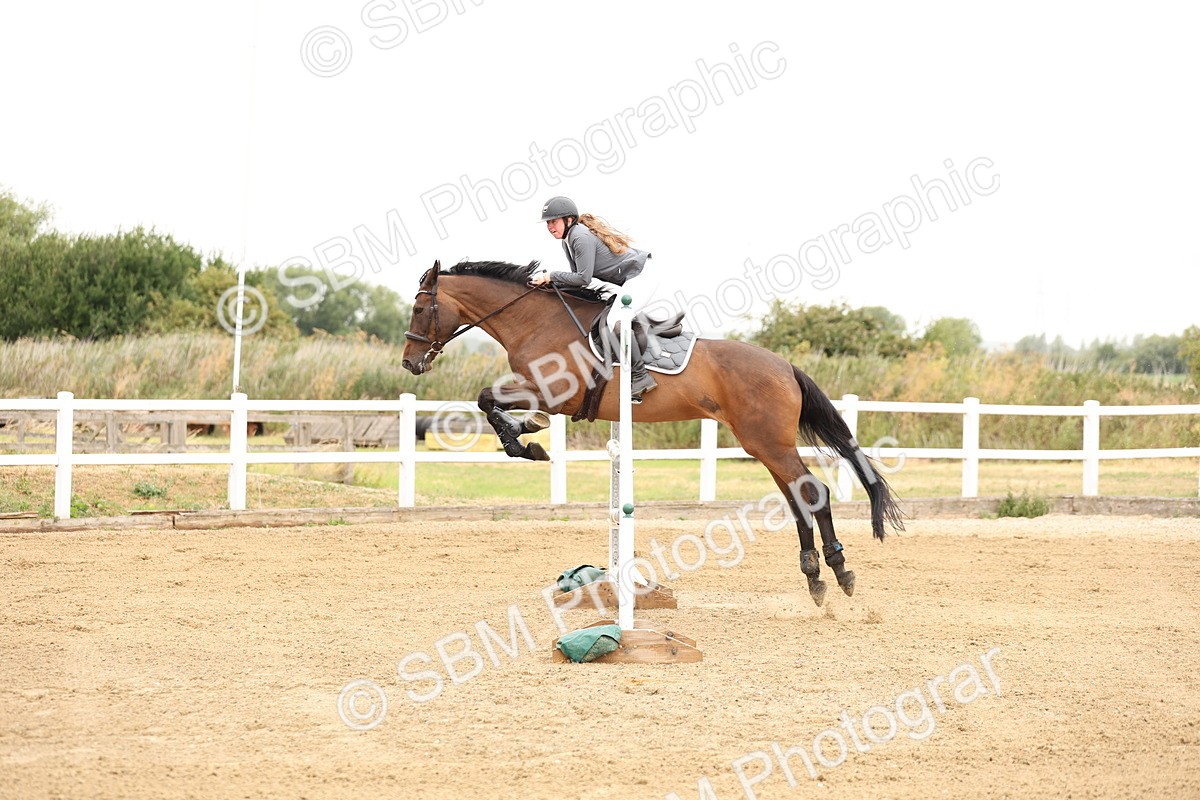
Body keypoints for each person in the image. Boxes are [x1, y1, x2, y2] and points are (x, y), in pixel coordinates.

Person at [530, 196, 658, 401]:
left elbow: (582, 278)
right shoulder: (568, 241)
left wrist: (550, 276)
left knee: (615, 320)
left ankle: (640, 376)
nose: (549, 226)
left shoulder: (579, 237)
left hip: (643, 277)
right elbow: (577, 279)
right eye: (548, 222)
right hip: (631, 279)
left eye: (553, 221)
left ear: (569, 220)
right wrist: (550, 283)